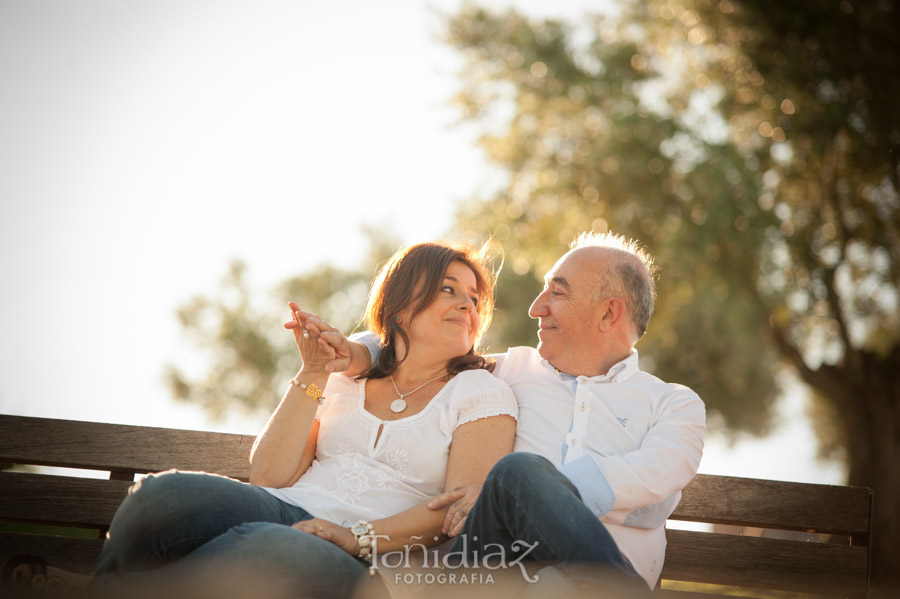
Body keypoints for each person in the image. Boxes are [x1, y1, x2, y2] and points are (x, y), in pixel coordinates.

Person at [2, 242, 517, 599]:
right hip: (286, 508)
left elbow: (456, 511)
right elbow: (270, 475)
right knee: (165, 494)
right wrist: (314, 369)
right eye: (450, 289)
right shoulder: (348, 375)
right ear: (402, 304)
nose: (467, 305)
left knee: (272, 547)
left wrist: (355, 535)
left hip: (369, 559)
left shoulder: (481, 392)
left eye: (475, 298)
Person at [337, 231, 706, 594]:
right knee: (518, 474)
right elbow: (421, 346)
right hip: (488, 572)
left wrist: (524, 491)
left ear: (609, 312)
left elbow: (655, 486)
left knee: (520, 479)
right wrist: (359, 351)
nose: (536, 307)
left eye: (557, 292)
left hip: (575, 584)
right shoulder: (507, 371)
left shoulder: (674, 404)